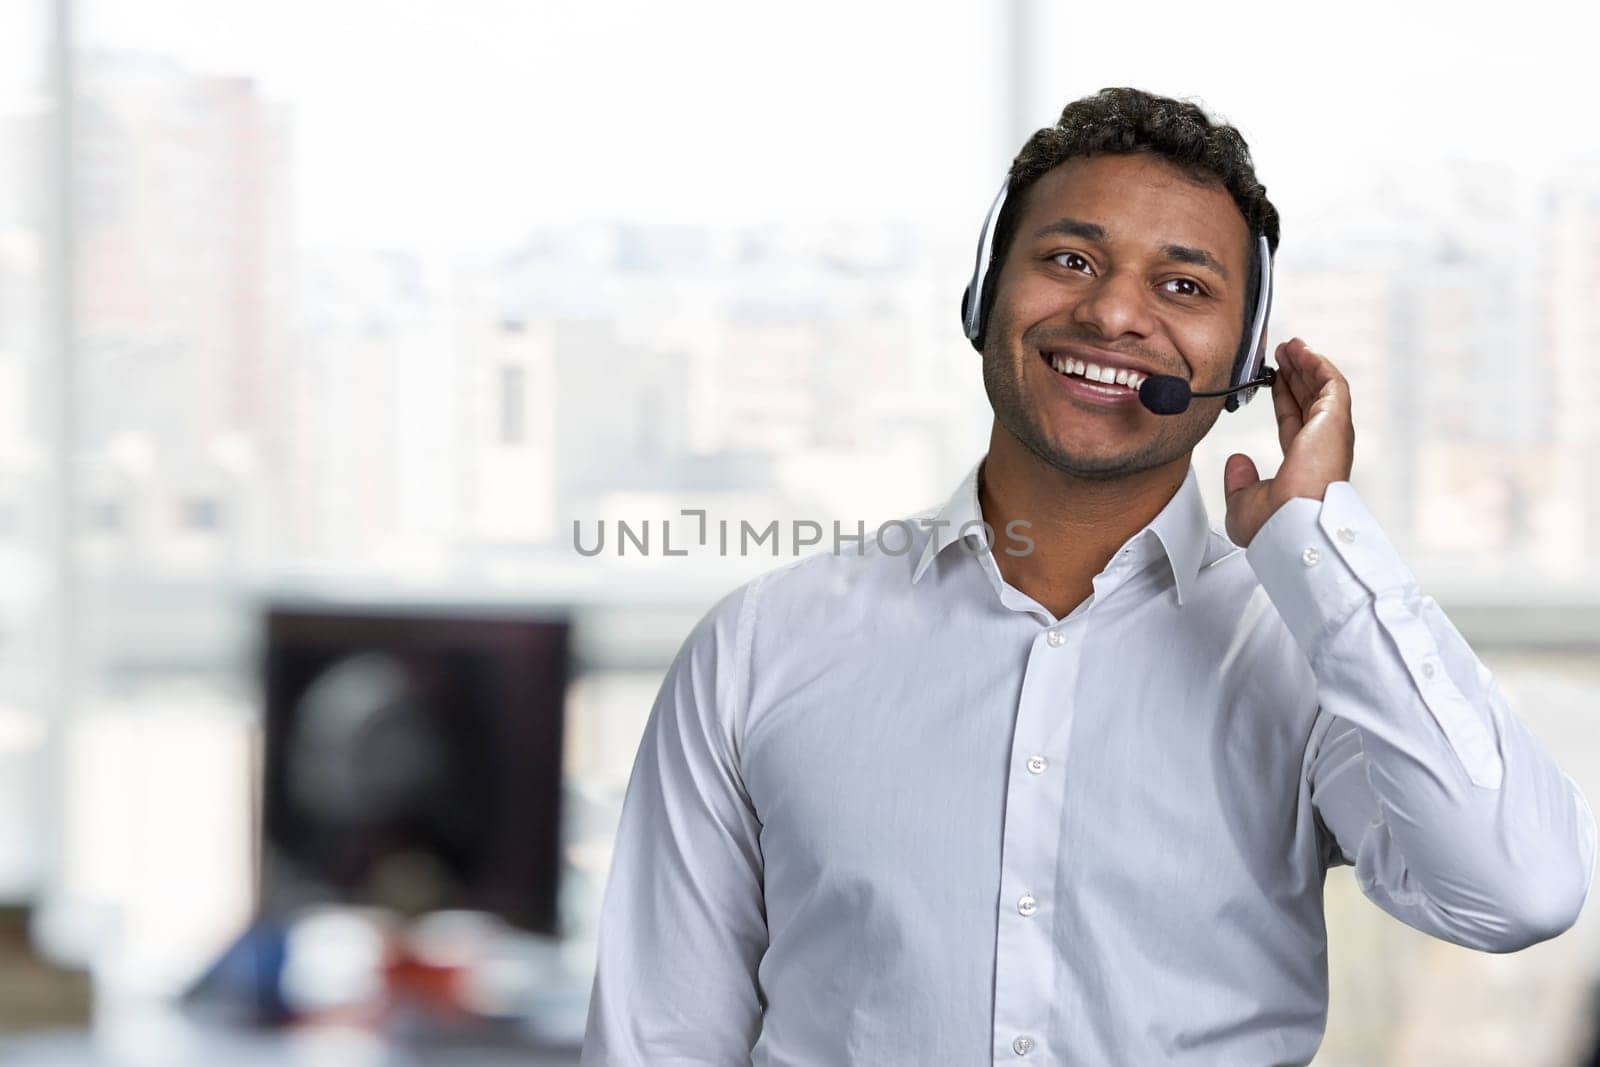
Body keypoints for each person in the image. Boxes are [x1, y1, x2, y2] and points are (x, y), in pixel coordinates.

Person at [580, 87, 1597, 1065]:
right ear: (985, 296)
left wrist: (1318, 545)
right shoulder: (761, 646)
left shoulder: (1304, 651)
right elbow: (659, 1040)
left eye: (1182, 285)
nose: (1113, 314)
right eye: (1070, 258)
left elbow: (1516, 890)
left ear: (1242, 358)